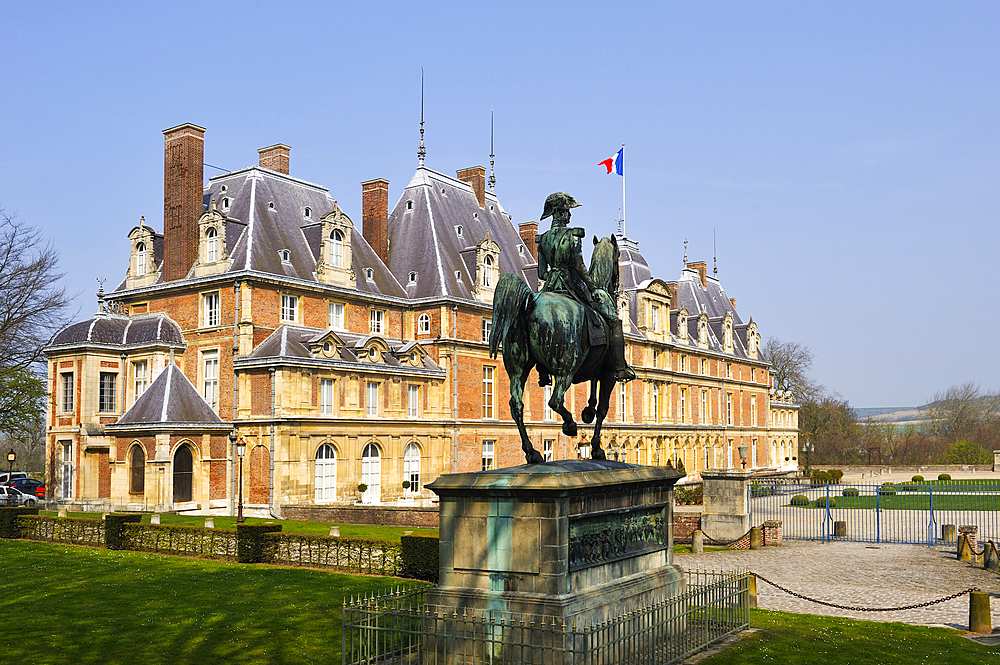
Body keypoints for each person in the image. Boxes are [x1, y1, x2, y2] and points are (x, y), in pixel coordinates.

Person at [535, 192, 636, 383]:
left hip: (549, 288)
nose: (570, 216)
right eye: (568, 212)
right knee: (614, 322)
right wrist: (592, 287)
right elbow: (579, 266)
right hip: (572, 285)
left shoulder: (543, 239)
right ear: (563, 213)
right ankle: (621, 367)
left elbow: (541, 273)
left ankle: (543, 370)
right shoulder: (573, 235)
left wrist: (553, 277)